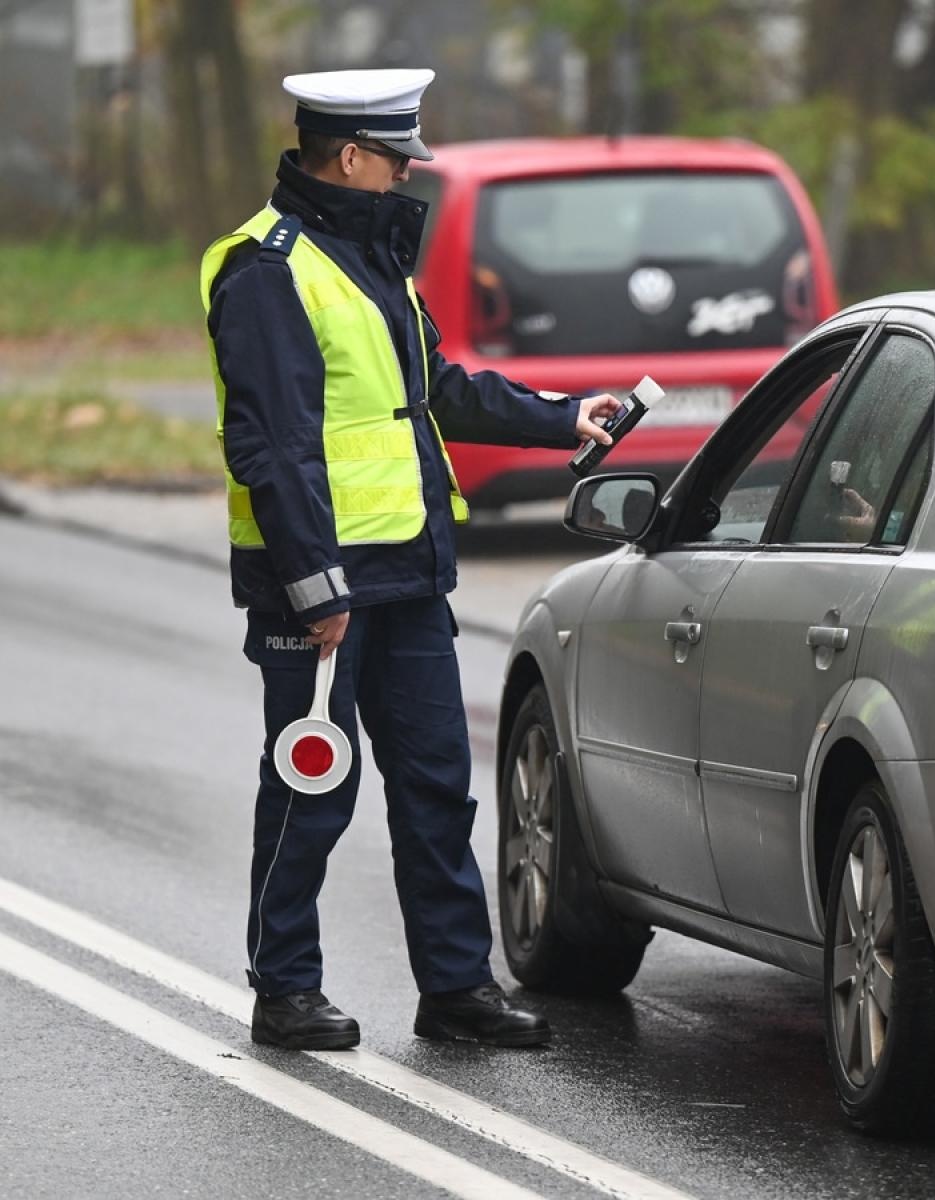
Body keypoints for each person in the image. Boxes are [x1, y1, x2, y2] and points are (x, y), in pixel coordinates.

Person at [200, 68, 622, 1051]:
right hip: (322, 585)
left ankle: (455, 990)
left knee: (436, 785)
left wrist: (565, 420)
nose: (405, 177)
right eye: (395, 160)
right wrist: (313, 586)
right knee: (313, 785)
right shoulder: (266, 270)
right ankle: (285, 989)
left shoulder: (372, 259)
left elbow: (436, 389)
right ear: (349, 156)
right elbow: (272, 445)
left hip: (408, 574)